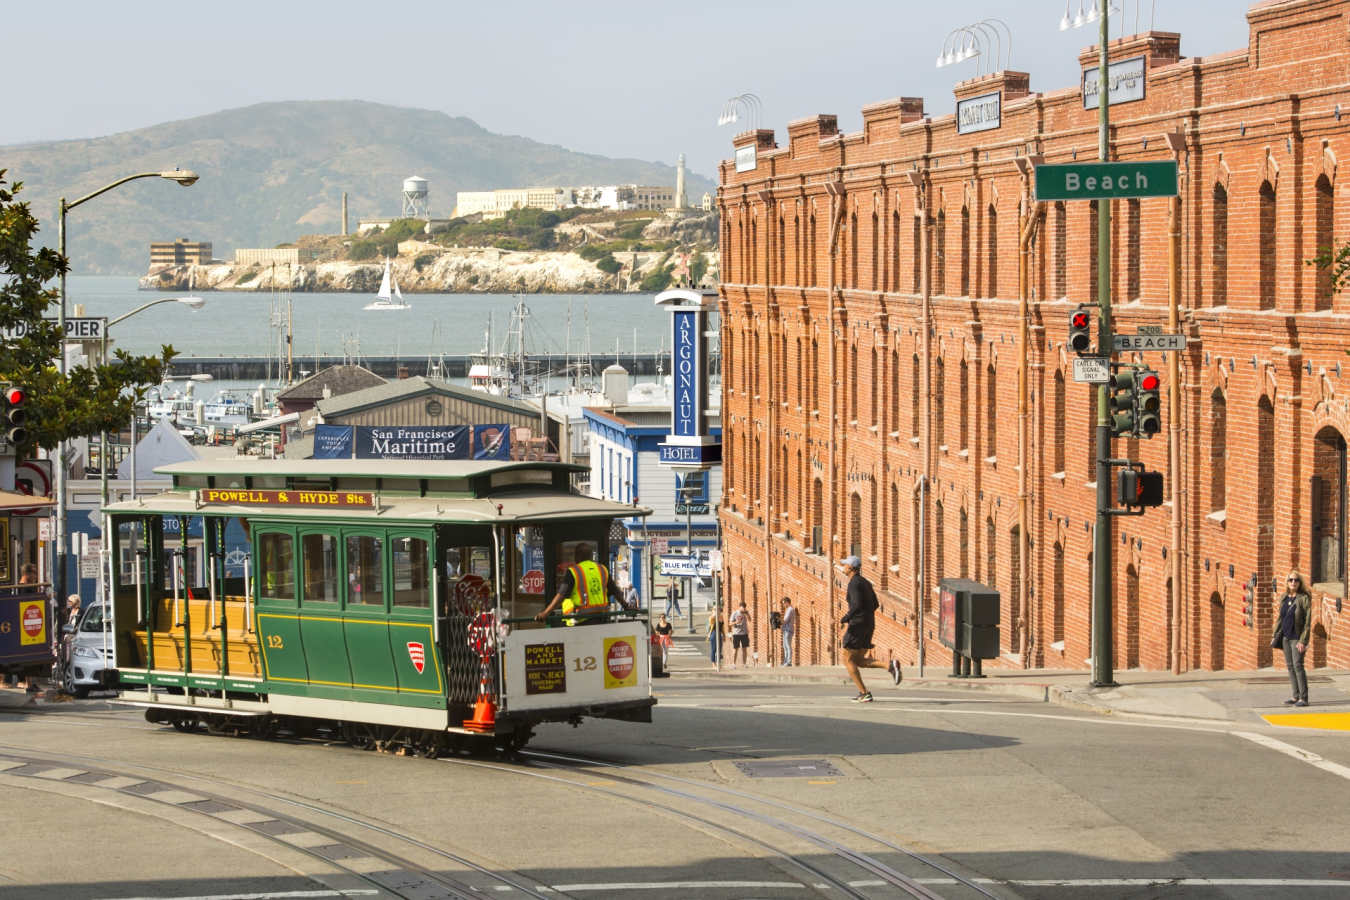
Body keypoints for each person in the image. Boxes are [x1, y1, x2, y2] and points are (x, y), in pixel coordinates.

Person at [838, 555, 900, 701]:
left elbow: (856, 605)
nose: (843, 566)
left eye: (845, 564)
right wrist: (865, 616)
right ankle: (890, 666)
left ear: (851, 568)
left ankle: (864, 693)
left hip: (857, 627)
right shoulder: (865, 582)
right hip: (868, 625)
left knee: (847, 660)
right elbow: (875, 604)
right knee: (859, 660)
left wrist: (845, 619)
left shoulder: (854, 583)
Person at [535, 544, 629, 626]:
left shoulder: (573, 571)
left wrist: (545, 613)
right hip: (602, 619)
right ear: (591, 556)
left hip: (584, 621)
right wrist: (626, 606)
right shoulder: (602, 569)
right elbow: (615, 591)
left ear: (577, 556)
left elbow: (561, 595)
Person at [1272, 570, 1312, 707]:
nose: (1293, 582)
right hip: (1285, 637)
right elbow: (1280, 618)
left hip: (1297, 637)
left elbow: (1307, 622)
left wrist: (1303, 641)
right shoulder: (1284, 597)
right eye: (1290, 580)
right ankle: (1295, 696)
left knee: (1298, 666)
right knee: (1290, 667)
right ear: (1287, 582)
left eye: (1296, 580)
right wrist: (1275, 634)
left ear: (1300, 583)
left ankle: (1304, 698)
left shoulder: (1304, 598)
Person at [729, 600, 750, 668]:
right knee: (735, 649)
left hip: (744, 633)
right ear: (739, 607)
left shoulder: (745, 613)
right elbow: (730, 623)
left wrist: (747, 614)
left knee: (744, 649)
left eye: (744, 607)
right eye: (742, 607)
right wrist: (736, 622)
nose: (743, 609)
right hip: (736, 634)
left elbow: (750, 620)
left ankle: (744, 664)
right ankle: (733, 664)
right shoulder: (735, 613)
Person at [780, 597, 797, 666]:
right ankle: (786, 661)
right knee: (785, 646)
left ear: (787, 602)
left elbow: (785, 620)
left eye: (784, 603)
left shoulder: (790, 610)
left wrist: (778, 619)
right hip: (786, 630)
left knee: (787, 646)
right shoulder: (788, 610)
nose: (783, 605)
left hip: (788, 630)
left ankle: (789, 661)